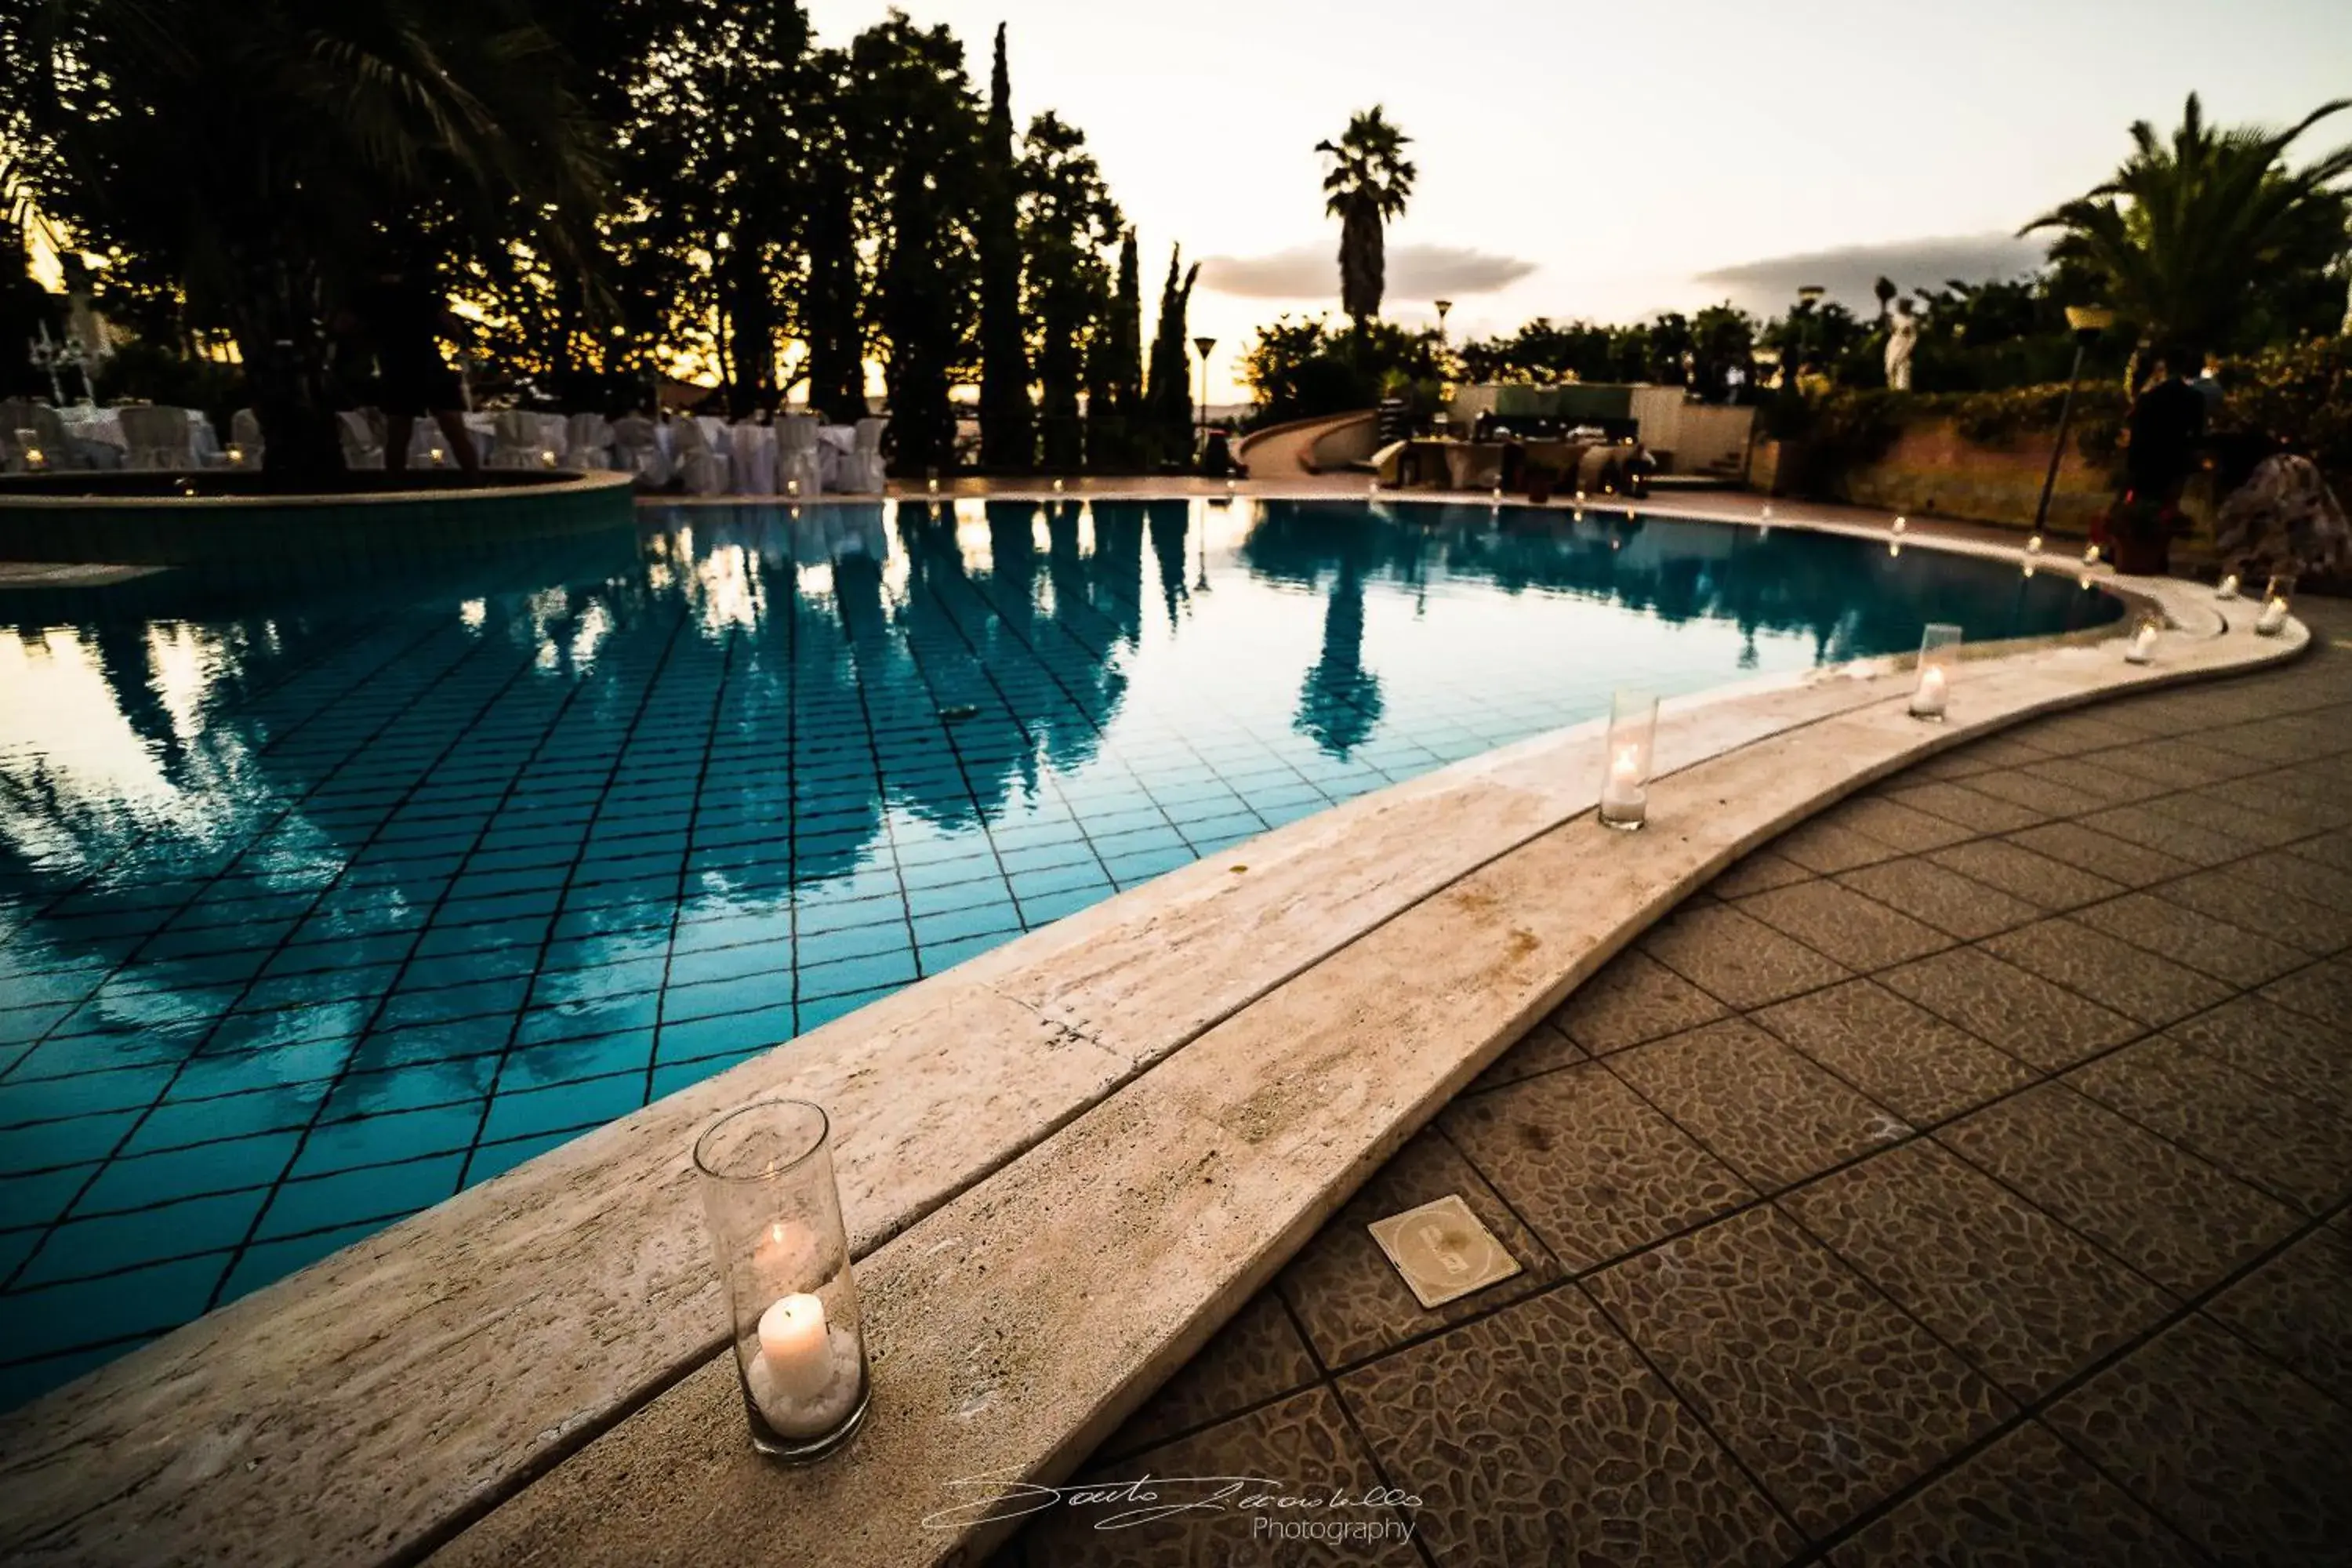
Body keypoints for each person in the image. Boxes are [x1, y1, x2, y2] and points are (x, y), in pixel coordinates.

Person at [350, 267, 478, 474]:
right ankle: (474, 479)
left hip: (402, 368)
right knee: (450, 428)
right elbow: (451, 327)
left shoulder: (375, 298)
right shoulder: (415, 294)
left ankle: (395, 484)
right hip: (421, 367)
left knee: (401, 432)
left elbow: (348, 327)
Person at [1883, 298, 1920, 391]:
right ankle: (1892, 388)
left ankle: (1902, 391)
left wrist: (1910, 346)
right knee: (1890, 366)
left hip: (1905, 343)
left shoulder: (1913, 319)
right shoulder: (1895, 317)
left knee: (1903, 367)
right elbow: (1890, 329)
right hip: (1895, 342)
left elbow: (1914, 334)